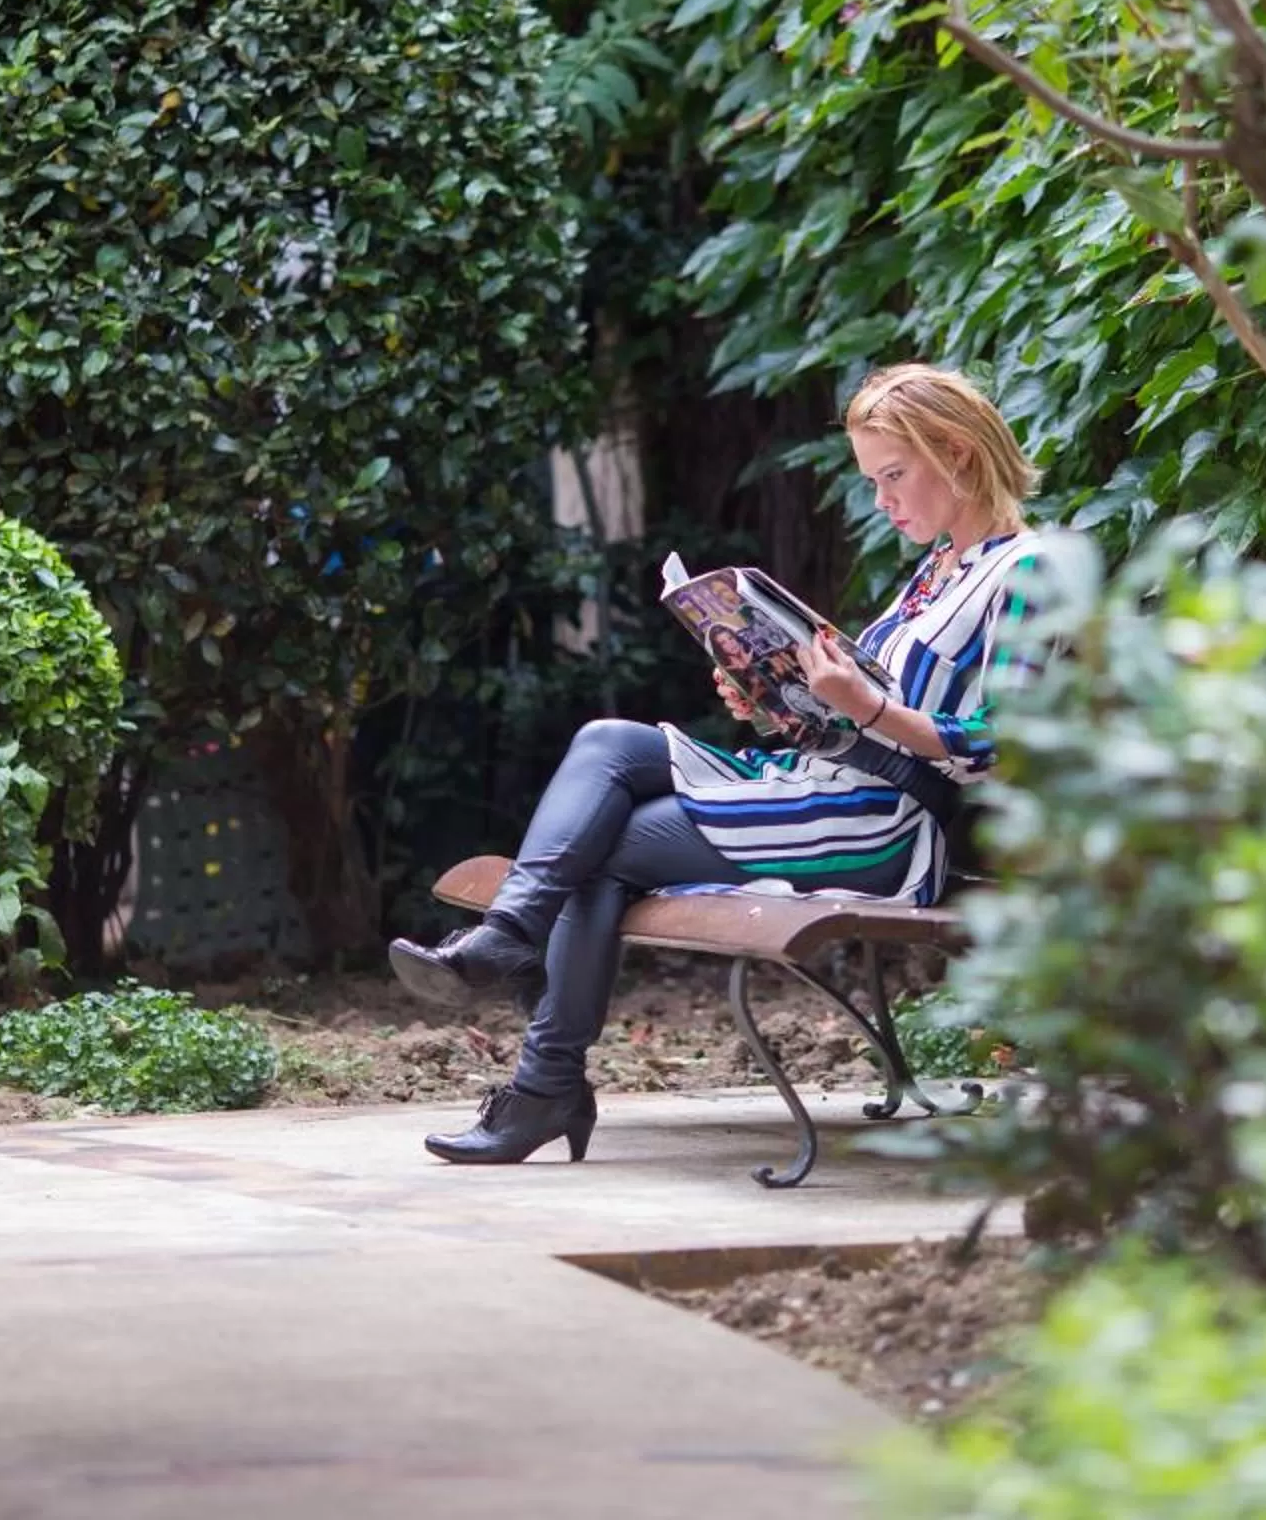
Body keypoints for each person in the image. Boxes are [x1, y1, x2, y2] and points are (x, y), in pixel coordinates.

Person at [387, 361, 1043, 1165]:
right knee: (608, 741)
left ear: (958, 452)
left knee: (602, 849)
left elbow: (1000, 740)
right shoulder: (935, 574)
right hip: (827, 784)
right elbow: (858, 719)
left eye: (893, 475)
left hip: (883, 825)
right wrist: (773, 695)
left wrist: (863, 706)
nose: (881, 500)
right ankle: (512, 949)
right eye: (873, 480)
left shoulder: (1027, 570)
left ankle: (542, 1072)